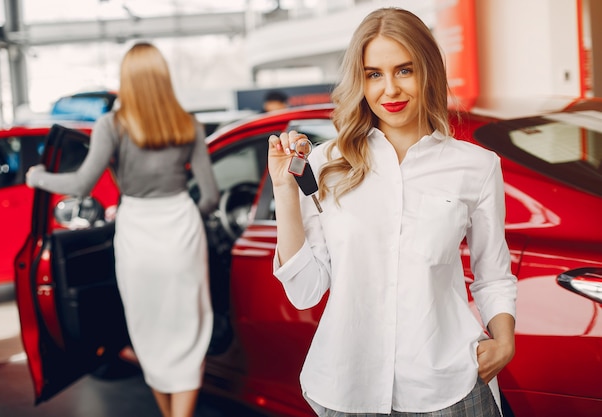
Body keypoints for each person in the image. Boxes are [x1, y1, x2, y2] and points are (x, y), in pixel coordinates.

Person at [267, 7, 516, 417]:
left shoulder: (476, 166)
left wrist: (504, 341)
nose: (390, 90)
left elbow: (493, 274)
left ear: (428, 71)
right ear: (359, 80)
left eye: (404, 70)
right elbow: (305, 290)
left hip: (447, 385)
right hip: (348, 388)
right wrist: (283, 190)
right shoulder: (325, 162)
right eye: (373, 74)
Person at [26, 42, 220, 417]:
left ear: (126, 80)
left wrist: (38, 177)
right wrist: (185, 214)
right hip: (181, 229)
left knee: (148, 328)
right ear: (163, 77)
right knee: (189, 328)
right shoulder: (188, 124)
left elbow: (81, 183)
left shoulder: (111, 126)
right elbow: (210, 196)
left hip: (138, 233)